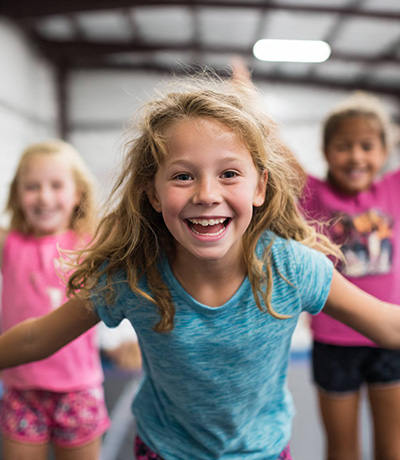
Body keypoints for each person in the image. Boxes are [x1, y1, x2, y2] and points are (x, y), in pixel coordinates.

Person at [0, 74, 400, 460]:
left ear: (259, 187)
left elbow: (387, 324)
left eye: (229, 174)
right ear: (152, 193)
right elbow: (38, 338)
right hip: (164, 451)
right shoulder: (134, 277)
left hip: (262, 452)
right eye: (182, 176)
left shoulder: (292, 268)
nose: (207, 194)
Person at [298, 93, 400, 460]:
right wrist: (246, 98)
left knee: (393, 447)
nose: (356, 156)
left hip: (390, 336)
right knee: (342, 449)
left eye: (367, 146)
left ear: (385, 151)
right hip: (334, 341)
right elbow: (272, 148)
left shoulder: (393, 188)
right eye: (343, 146)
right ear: (325, 152)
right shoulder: (313, 193)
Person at [0, 140, 110, 460]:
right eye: (32, 187)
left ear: (77, 193)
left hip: (79, 389)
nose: (45, 197)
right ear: (18, 195)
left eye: (56, 185)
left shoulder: (90, 244)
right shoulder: (10, 244)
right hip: (22, 389)